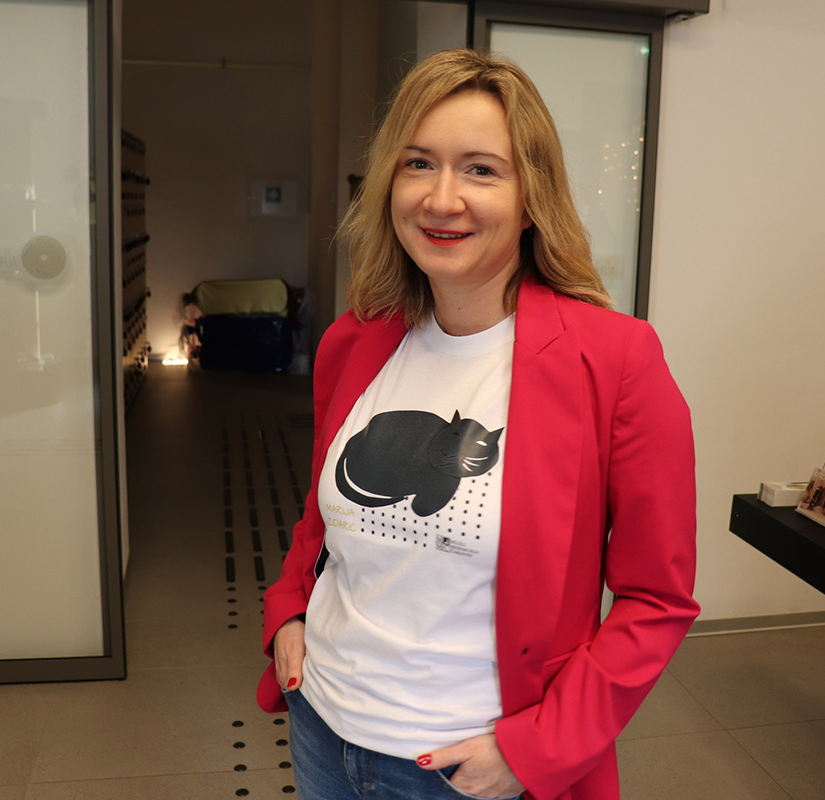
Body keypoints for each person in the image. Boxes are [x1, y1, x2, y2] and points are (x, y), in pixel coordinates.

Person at [257, 48, 698, 800]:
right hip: (323, 725)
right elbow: (323, 516)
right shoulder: (356, 340)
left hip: (468, 768)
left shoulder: (614, 361)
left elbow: (658, 599)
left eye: (481, 170)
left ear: (531, 200)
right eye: (418, 164)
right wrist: (288, 609)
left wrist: (537, 751)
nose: (442, 198)